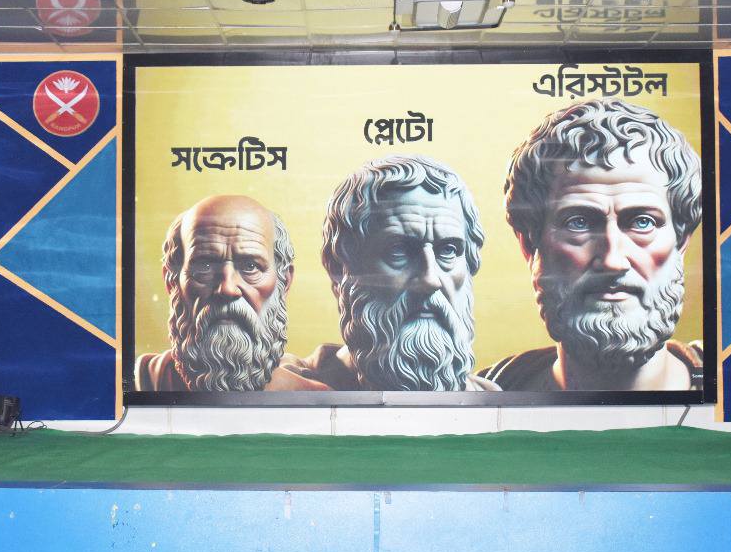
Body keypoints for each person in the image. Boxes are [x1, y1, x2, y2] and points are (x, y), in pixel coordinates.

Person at [478, 97, 702, 391]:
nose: (612, 260)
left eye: (642, 222)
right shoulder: (476, 399)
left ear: (681, 241)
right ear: (530, 246)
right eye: (579, 222)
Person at [284, 155, 499, 391]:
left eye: (448, 250)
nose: (430, 279)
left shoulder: (489, 396)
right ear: (340, 271)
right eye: (399, 251)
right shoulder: (292, 392)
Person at [136, 194, 308, 392]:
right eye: (205, 266)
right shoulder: (136, 384)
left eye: (250, 266)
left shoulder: (314, 397)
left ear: (284, 281)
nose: (227, 288)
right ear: (172, 281)